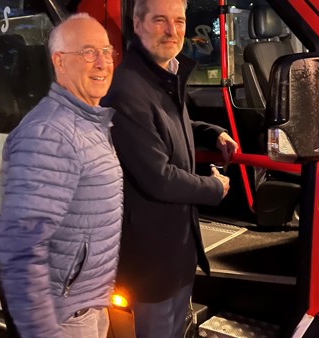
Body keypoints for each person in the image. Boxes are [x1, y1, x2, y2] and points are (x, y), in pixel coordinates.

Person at [101, 0, 239, 336]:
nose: (172, 31)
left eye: (179, 21)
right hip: (153, 261)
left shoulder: (162, 74)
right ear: (137, 23)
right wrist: (215, 188)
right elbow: (158, 178)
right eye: (160, 20)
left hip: (174, 250)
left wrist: (211, 132)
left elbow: (171, 126)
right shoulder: (127, 89)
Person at [0, 13, 122, 338]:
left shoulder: (88, 121)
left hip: (89, 301)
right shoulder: (48, 133)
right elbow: (22, 244)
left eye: (107, 52)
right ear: (60, 62)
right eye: (88, 52)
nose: (103, 63)